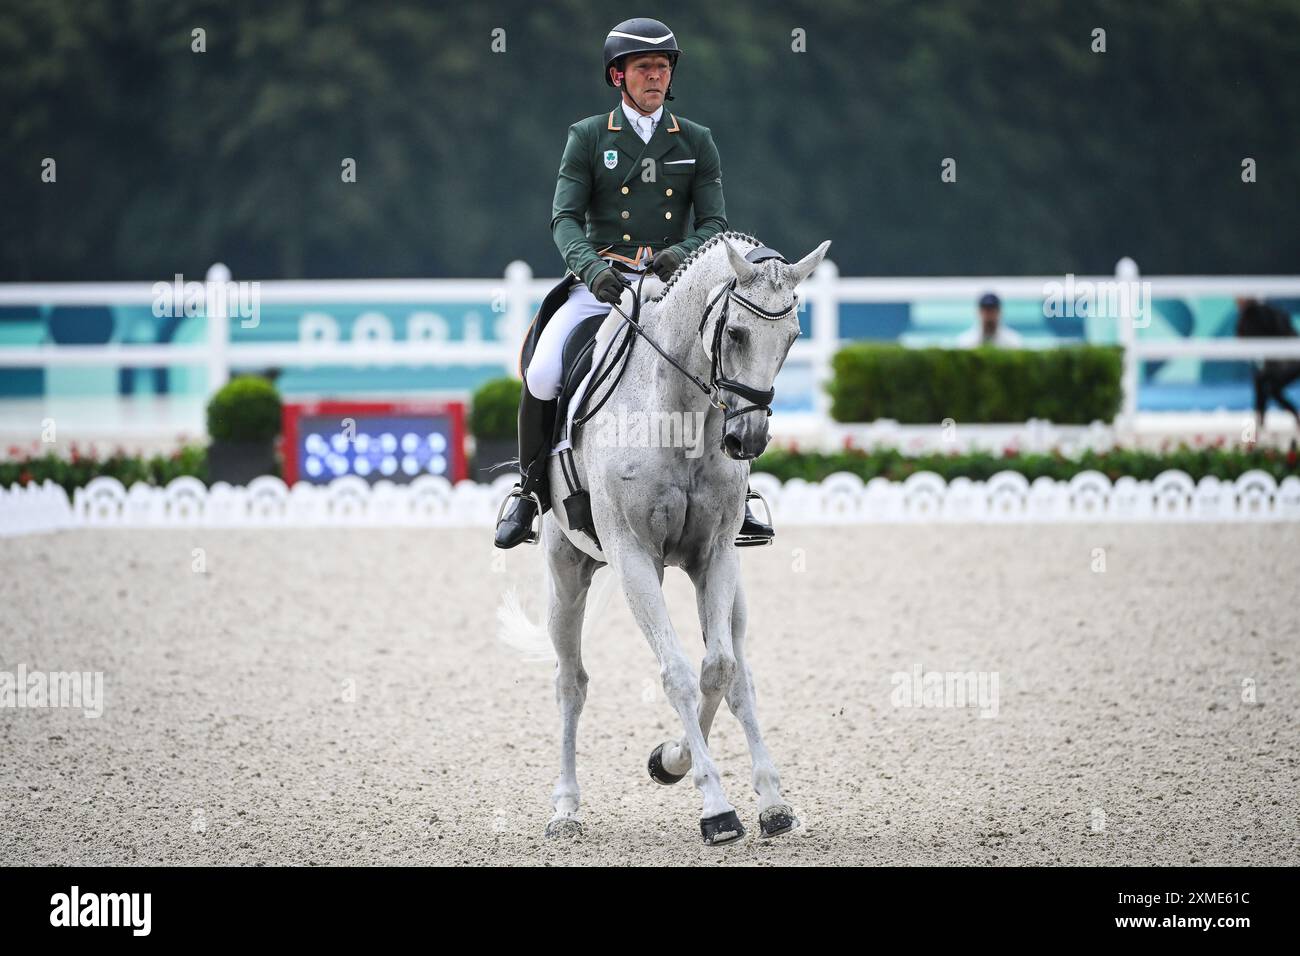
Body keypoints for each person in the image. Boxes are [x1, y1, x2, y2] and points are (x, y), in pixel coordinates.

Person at [493, 16, 775, 549]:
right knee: (545, 368)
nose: (655, 77)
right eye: (644, 67)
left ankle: (741, 493)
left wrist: (681, 255)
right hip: (602, 285)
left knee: (724, 363)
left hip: (675, 286)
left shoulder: (696, 140)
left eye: (663, 68)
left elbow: (715, 225)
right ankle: (529, 492)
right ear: (618, 76)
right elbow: (564, 220)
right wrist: (593, 271)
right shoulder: (588, 137)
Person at [1236, 296, 1300, 433]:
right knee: (1266, 385)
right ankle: (1261, 422)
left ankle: (1259, 423)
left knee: (1267, 385)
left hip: (1288, 361)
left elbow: (1243, 337)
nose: (1236, 300)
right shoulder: (1258, 313)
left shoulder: (1255, 314)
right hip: (1283, 361)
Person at [955, 292, 1023, 348]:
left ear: (999, 312)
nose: (989, 314)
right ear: (979, 311)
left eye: (992, 310)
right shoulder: (965, 340)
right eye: (986, 310)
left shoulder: (1013, 340)